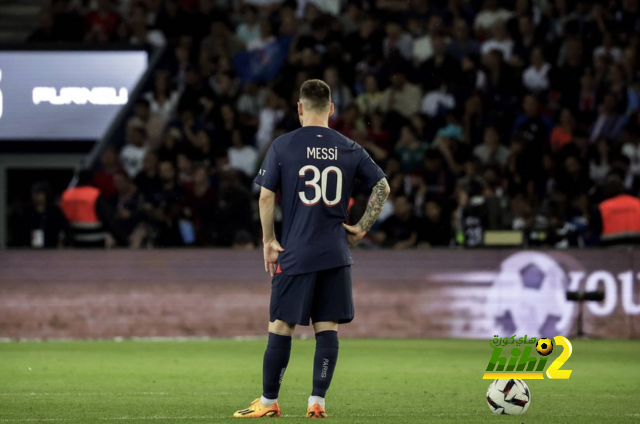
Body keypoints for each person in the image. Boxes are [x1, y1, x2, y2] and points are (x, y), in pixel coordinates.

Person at [234, 80, 389, 418]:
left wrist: (268, 240)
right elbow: (382, 185)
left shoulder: (284, 145)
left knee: (281, 326)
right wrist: (362, 227)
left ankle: (268, 401)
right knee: (327, 329)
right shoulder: (348, 147)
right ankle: (317, 401)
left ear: (300, 108)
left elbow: (265, 195)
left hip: (297, 252)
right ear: (331, 109)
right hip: (335, 255)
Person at [59, 170, 128, 248]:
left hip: (72, 240)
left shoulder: (66, 195)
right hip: (94, 240)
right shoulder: (94, 194)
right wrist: (123, 241)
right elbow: (108, 219)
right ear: (92, 179)